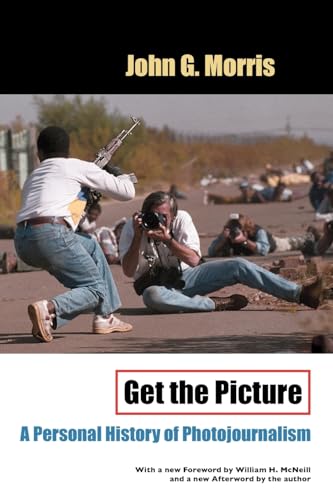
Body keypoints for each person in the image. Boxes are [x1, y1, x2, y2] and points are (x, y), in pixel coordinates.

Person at [14, 126, 136, 343]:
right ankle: (49, 308)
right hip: (52, 235)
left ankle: (105, 316)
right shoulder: (77, 167)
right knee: (96, 289)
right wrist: (115, 171)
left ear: (38, 153)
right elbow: (127, 193)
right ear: (68, 151)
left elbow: (57, 207)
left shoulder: (34, 176)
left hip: (23, 241)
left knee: (90, 245)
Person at [118, 191, 324, 314]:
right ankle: (215, 304)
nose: (157, 220)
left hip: (186, 277)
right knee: (152, 297)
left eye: (163, 216)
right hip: (157, 287)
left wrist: (169, 240)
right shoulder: (132, 227)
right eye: (152, 215)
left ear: (173, 216)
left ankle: (301, 294)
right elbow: (128, 271)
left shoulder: (182, 220)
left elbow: (194, 259)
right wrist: (138, 237)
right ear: (144, 214)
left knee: (238, 265)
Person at [207, 213, 318, 257]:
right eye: (232, 226)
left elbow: (264, 250)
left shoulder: (257, 231)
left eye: (238, 226)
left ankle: (310, 237)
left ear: (245, 227)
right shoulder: (228, 234)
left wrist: (244, 241)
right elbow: (211, 252)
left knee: (292, 243)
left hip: (273, 244)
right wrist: (222, 239)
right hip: (250, 247)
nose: (235, 230)